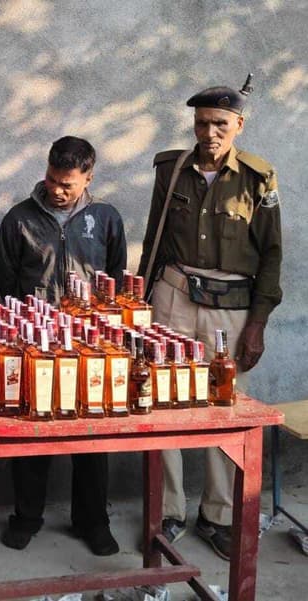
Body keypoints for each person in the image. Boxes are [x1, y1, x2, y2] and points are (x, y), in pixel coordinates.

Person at [137, 77, 282, 561]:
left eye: (220, 123)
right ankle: (167, 511)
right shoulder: (171, 169)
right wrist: (140, 303)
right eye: (202, 123)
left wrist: (258, 322)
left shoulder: (258, 178)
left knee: (223, 407)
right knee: (163, 400)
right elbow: (155, 238)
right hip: (173, 297)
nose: (210, 132)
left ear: (239, 125)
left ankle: (217, 515)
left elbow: (272, 254)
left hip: (231, 307)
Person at [0, 136, 126, 556]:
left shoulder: (105, 218)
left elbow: (115, 279)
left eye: (67, 184)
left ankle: (93, 521)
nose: (56, 190)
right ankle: (26, 517)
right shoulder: (19, 219)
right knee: (33, 433)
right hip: (36, 343)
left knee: (91, 435)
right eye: (52, 179)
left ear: (88, 178)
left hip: (90, 347)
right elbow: (7, 281)